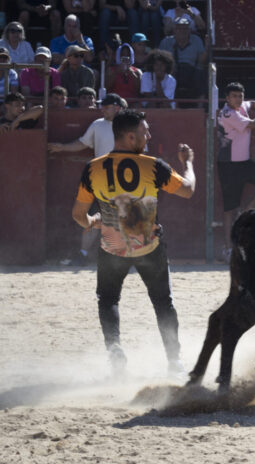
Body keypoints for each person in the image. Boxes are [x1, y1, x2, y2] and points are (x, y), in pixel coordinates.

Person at [71, 109, 195, 376]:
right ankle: (174, 361)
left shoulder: (93, 168)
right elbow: (188, 190)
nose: (148, 136)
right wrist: (189, 164)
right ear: (129, 137)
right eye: (144, 132)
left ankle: (114, 348)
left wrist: (93, 222)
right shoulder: (153, 165)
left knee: (108, 299)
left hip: (112, 248)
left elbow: (78, 215)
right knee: (163, 302)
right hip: (148, 247)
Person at [48, 93, 126, 265]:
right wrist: (62, 148)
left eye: (106, 107)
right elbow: (82, 143)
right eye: (102, 106)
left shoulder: (131, 125)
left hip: (125, 181)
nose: (102, 109)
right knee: (92, 217)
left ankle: (126, 255)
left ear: (117, 108)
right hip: (101, 179)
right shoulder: (98, 125)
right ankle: (83, 254)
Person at [217, 82, 255, 263]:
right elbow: (254, 125)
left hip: (243, 163)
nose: (238, 99)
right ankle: (227, 248)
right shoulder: (227, 113)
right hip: (229, 165)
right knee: (229, 209)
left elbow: (250, 103)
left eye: (240, 96)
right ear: (227, 98)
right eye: (234, 96)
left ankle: (247, 211)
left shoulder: (241, 104)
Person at [158, 16, 207, 101]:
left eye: (185, 28)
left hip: (191, 70)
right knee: (166, 76)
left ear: (189, 30)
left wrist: (207, 46)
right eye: (179, 28)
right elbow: (159, 59)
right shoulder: (166, 42)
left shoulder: (196, 40)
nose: (182, 31)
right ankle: (168, 104)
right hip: (173, 70)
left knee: (201, 73)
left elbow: (201, 61)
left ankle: (200, 106)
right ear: (174, 30)